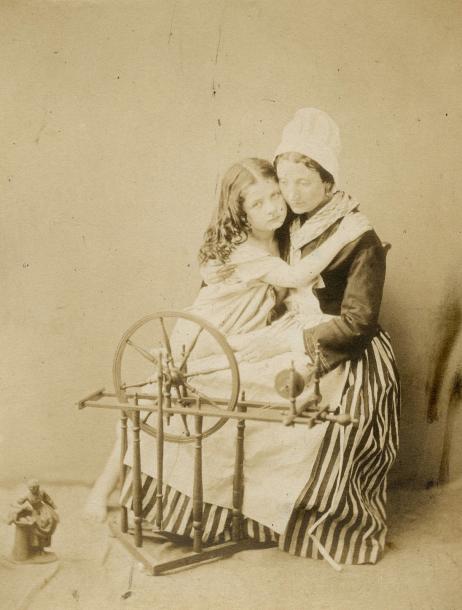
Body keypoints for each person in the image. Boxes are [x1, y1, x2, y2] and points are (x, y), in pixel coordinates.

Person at [84, 158, 370, 556]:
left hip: (239, 333)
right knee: (152, 402)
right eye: (258, 203)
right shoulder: (243, 248)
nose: (273, 207)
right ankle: (103, 489)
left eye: (276, 195)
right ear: (240, 211)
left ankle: (144, 493)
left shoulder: (283, 234)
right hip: (207, 334)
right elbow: (295, 277)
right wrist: (348, 234)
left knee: (169, 405)